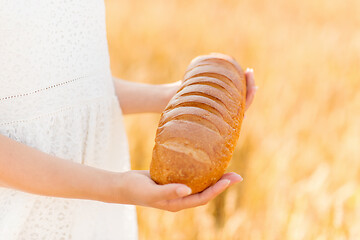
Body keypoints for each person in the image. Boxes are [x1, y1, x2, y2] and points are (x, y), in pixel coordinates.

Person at [0, 0, 257, 239]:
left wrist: (175, 97)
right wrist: (116, 186)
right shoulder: (113, 186)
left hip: (93, 213)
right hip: (18, 213)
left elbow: (66, 89)